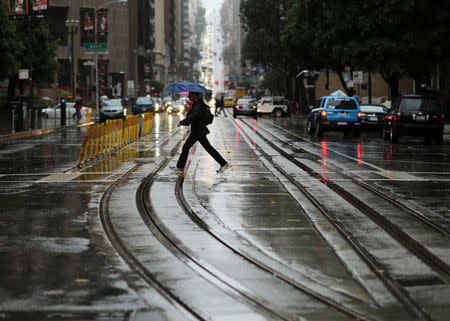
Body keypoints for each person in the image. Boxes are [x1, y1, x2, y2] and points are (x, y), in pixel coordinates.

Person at [176, 92, 230, 174]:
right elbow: (193, 116)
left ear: (195, 95)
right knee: (208, 148)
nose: (188, 96)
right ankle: (224, 163)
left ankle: (180, 168)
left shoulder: (198, 104)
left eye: (190, 94)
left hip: (197, 131)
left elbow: (194, 117)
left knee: (186, 148)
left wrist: (182, 122)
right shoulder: (197, 103)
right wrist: (189, 110)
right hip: (198, 130)